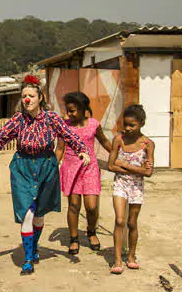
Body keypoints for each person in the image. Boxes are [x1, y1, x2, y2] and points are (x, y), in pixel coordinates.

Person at [0, 75, 91, 275]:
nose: (27, 99)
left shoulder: (52, 118)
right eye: (24, 96)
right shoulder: (18, 120)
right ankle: (28, 258)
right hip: (23, 168)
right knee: (27, 212)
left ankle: (34, 246)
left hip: (46, 167)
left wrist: (81, 149)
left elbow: (68, 135)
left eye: (31, 96)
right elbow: (0, 138)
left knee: (39, 214)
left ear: (40, 97)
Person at [55, 92, 112, 255]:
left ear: (82, 109)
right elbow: (60, 149)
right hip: (71, 168)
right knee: (73, 205)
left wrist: (118, 155)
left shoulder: (94, 124)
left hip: (90, 168)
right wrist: (51, 167)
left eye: (72, 110)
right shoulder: (64, 126)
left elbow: (105, 142)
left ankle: (91, 232)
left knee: (92, 207)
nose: (69, 114)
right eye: (67, 110)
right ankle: (74, 238)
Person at [108, 104, 154, 275]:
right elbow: (112, 165)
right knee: (119, 220)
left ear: (141, 123)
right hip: (120, 184)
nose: (127, 128)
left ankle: (132, 256)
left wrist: (125, 164)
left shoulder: (148, 144)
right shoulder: (118, 140)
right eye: (125, 124)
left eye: (132, 125)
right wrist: (137, 170)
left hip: (137, 187)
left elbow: (148, 172)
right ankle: (118, 260)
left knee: (132, 223)